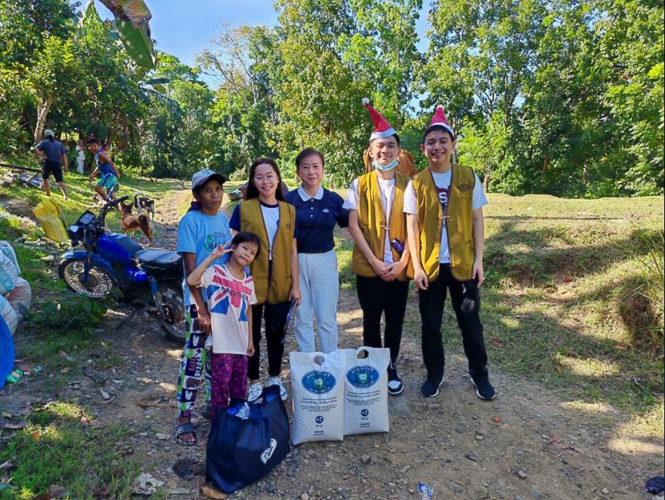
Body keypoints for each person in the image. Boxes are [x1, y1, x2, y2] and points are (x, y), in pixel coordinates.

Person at [404, 105, 495, 400]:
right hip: (430, 267)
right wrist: (416, 267)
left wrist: (479, 261)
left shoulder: (468, 177)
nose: (437, 147)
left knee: (470, 322)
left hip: (464, 264)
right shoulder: (416, 183)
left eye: (443, 141)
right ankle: (435, 374)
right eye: (431, 142)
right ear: (423, 148)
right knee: (430, 326)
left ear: (453, 145)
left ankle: (479, 374)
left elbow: (478, 220)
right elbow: (412, 226)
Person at [343, 98, 412, 396]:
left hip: (399, 267)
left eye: (390, 146)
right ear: (370, 152)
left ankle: (390, 365)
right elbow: (353, 225)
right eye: (379, 147)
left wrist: (402, 263)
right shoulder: (359, 184)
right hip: (369, 266)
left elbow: (415, 228)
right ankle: (372, 364)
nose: (385, 151)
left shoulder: (410, 184)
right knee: (371, 319)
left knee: (395, 320)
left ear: (398, 150)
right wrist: (373, 261)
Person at [229, 158, 300, 402]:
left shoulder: (289, 210)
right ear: (253, 181)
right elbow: (235, 246)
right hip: (251, 279)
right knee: (252, 333)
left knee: (276, 330)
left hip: (281, 279)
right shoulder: (244, 208)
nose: (265, 181)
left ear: (278, 178)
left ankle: (275, 377)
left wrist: (296, 286)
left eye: (270, 176)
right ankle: (254, 381)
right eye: (259, 177)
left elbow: (292, 251)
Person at [174, 169, 232, 446]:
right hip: (199, 302)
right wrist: (200, 308)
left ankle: (213, 406)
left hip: (223, 301)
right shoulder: (190, 222)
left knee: (217, 356)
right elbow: (191, 271)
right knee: (194, 359)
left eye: (218, 189)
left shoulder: (223, 219)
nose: (215, 194)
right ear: (197, 195)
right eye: (208, 190)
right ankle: (184, 416)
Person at [186, 232, 260, 418]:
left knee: (239, 388)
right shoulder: (216, 272)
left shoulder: (248, 281)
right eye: (245, 248)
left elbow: (249, 310)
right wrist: (212, 257)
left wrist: (250, 340)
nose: (248, 254)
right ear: (233, 247)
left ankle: (235, 424)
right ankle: (219, 424)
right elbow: (192, 280)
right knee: (220, 387)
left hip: (241, 343)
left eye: (253, 252)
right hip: (222, 343)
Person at [285, 149, 349, 353]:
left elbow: (351, 224)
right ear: (297, 172)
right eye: (305, 167)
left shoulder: (333, 199)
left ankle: (330, 364)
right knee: (302, 316)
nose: (311, 171)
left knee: (326, 317)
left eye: (315, 166)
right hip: (296, 261)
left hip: (325, 260)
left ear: (323, 170)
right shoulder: (288, 200)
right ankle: (307, 366)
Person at [33, 129, 68, 200]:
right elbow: (64, 156)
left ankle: (48, 193)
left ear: (46, 136)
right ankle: (65, 196)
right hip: (57, 163)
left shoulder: (44, 142)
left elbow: (35, 149)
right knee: (60, 180)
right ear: (53, 135)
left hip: (48, 162)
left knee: (45, 178)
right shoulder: (59, 144)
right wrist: (65, 167)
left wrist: (41, 156)